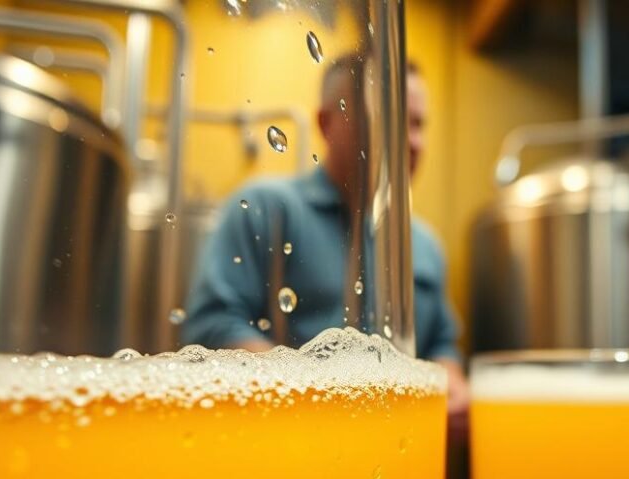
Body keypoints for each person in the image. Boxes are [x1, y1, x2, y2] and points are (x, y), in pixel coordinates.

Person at [182, 55, 468, 422]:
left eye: (416, 124)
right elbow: (213, 327)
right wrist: (318, 399)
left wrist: (453, 382)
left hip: (398, 450)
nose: (408, 141)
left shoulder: (425, 244)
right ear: (326, 123)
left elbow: (442, 344)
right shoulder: (263, 208)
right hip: (286, 446)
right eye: (386, 119)